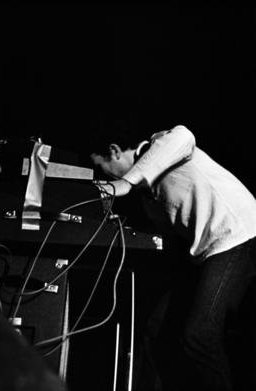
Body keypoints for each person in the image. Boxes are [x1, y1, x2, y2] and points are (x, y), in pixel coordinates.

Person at [87, 123, 256, 391]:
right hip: (208, 254)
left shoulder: (161, 143)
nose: (103, 177)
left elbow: (185, 135)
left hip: (238, 236)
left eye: (102, 168)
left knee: (200, 335)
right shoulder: (149, 193)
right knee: (156, 330)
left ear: (114, 151)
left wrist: (124, 182)